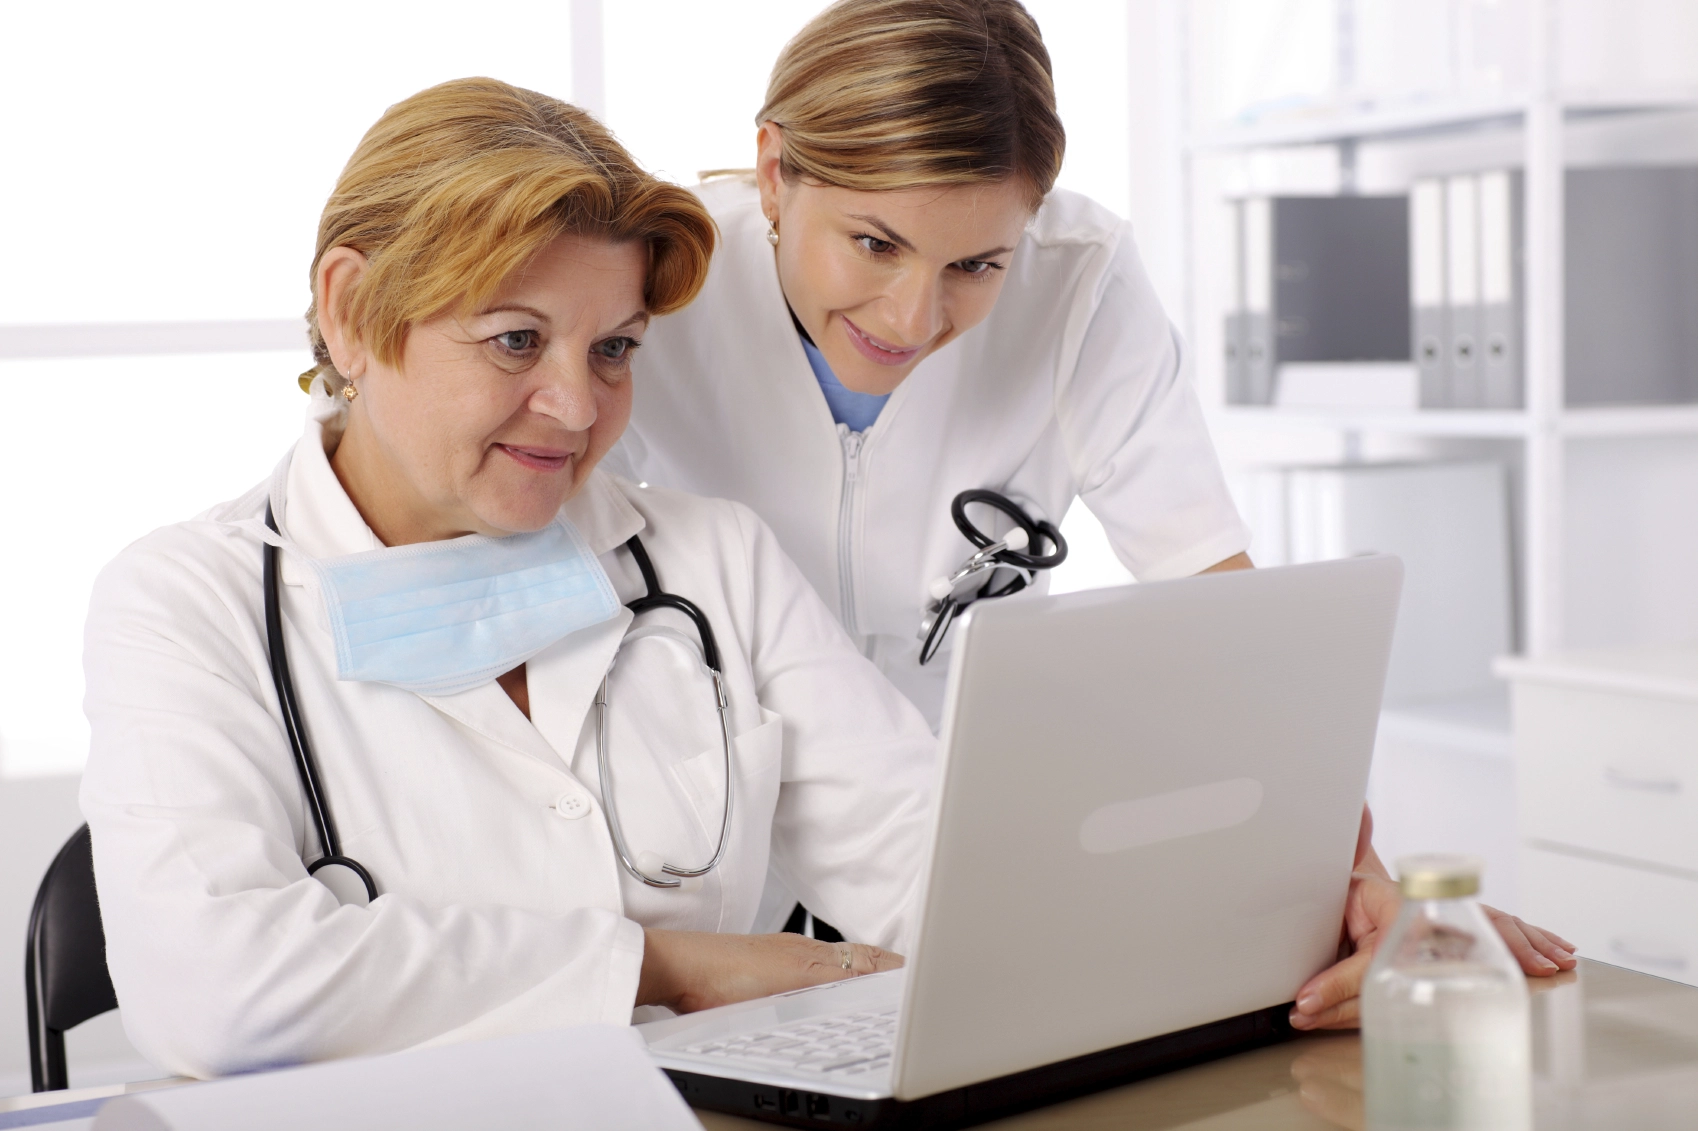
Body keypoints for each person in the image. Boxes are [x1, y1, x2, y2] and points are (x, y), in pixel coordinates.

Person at [609, 0, 1576, 1027]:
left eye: (977, 265)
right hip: (690, 847)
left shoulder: (1076, 284)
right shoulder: (657, 288)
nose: (914, 318)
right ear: (772, 171)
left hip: (944, 843)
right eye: (874, 243)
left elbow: (1225, 620)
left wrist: (1354, 882)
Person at [78, 78, 930, 1080]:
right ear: (351, 311)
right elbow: (212, 992)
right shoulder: (186, 603)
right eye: (516, 340)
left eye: (613, 349)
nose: (576, 408)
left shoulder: (712, 561)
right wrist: (667, 967)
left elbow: (931, 869)